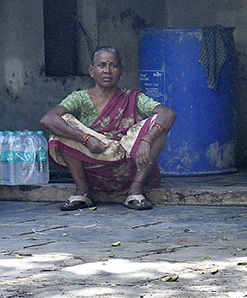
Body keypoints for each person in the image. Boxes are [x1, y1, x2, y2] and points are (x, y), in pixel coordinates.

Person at [41, 47, 177, 211]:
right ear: (92, 71)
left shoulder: (131, 97)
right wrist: (84, 138)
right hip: (93, 164)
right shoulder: (79, 98)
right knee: (62, 123)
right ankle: (82, 191)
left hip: (127, 166)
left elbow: (167, 114)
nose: (107, 71)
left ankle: (135, 190)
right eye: (101, 65)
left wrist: (147, 139)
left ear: (121, 71)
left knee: (158, 124)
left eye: (113, 66)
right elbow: (48, 119)